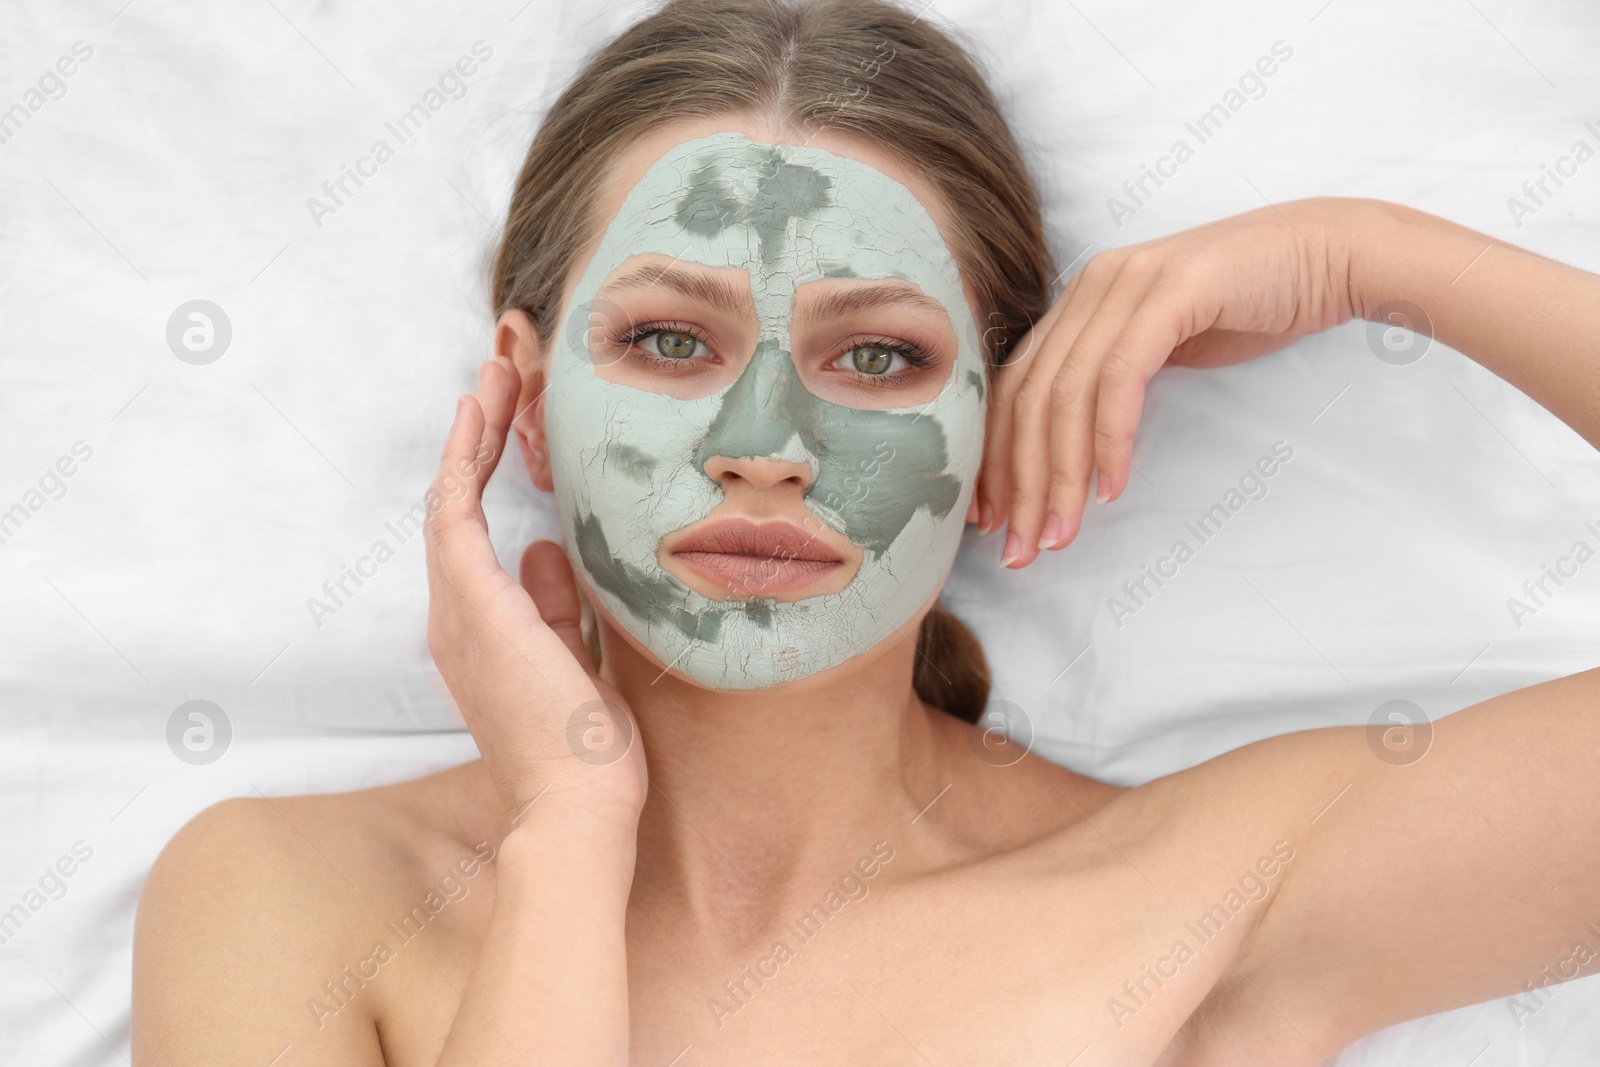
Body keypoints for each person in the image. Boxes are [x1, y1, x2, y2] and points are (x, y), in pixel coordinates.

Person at [131, 0, 1600, 1064]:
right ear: (521, 396)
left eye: (879, 358)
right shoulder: (283, 898)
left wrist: (1376, 257)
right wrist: (567, 831)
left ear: (995, 422)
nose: (764, 446)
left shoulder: (1190, 897)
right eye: (663, 340)